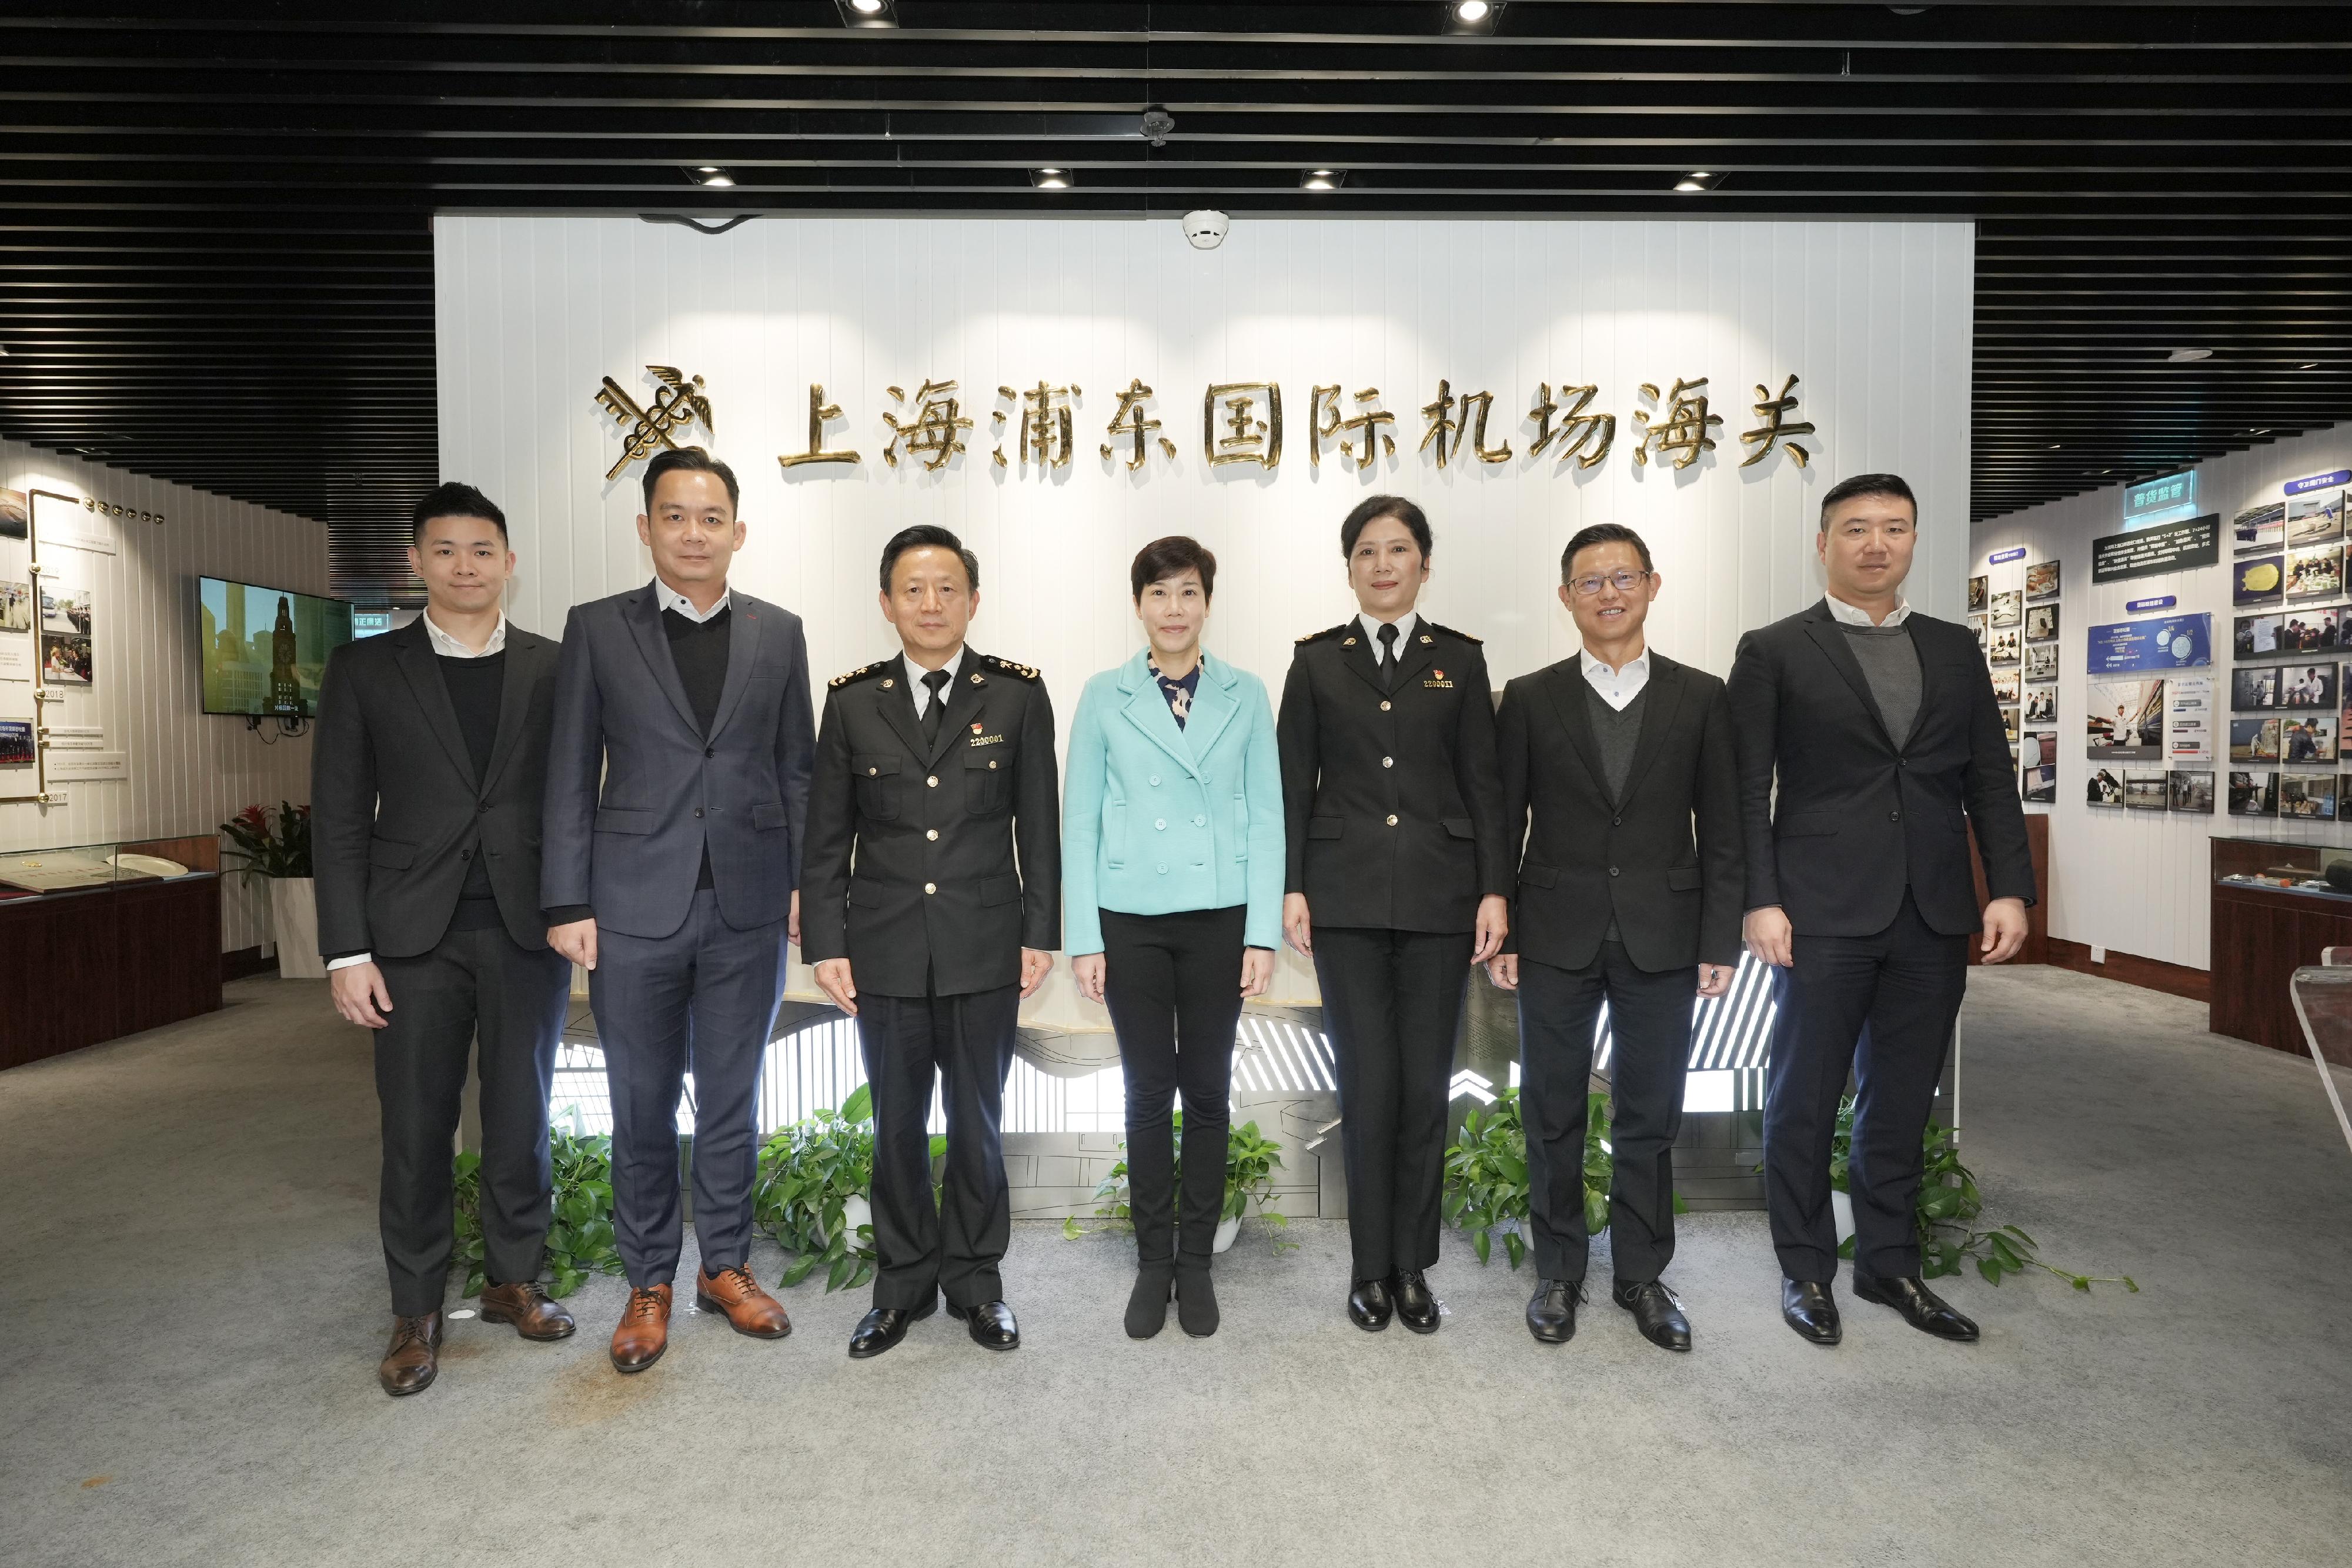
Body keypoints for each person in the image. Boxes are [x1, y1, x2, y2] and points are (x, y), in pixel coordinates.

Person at [1728, 472, 2034, 1348]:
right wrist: (1760, 899)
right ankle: (1805, 1269)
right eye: (1857, 528)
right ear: (1823, 544)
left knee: (1902, 1099)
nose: (1876, 544)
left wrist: (2007, 887)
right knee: (1804, 1097)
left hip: (1933, 909)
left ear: (1912, 542)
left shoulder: (1954, 648)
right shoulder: (1774, 650)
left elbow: (1988, 778)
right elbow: (1748, 789)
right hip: (1819, 910)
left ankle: (1889, 1263)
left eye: (1894, 528)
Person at [541, 449, 814, 1373]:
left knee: (733, 1100)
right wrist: (568, 899)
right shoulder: (597, 629)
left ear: (738, 531)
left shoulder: (779, 633)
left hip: (747, 906)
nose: (693, 534)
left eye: (711, 518)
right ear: (646, 528)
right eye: (674, 516)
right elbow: (570, 772)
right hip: (630, 906)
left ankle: (724, 1267)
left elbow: (797, 771)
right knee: (641, 1103)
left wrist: (805, 887)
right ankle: (650, 1279)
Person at [312, 483, 574, 1396]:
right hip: (408, 941)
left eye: (483, 549)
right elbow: (339, 816)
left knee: (522, 1118)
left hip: (525, 932)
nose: (466, 566)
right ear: (418, 561)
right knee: (417, 1128)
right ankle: (416, 1308)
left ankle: (514, 1280)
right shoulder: (365, 669)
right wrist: (346, 951)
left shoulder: (555, 667)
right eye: (447, 550)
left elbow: (575, 802)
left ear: (510, 562)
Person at [801, 526, 1059, 1360]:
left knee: (978, 1124)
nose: (931, 603)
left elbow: (1040, 828)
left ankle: (978, 1284)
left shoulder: (1016, 696)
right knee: (897, 1126)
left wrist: (1041, 934)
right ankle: (902, 1286)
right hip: (883, 952)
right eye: (913, 589)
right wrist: (827, 943)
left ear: (973, 601)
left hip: (985, 946)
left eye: (948, 588)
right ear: (887, 604)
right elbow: (826, 838)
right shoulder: (852, 702)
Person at [1485, 523, 1741, 1353]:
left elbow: (1725, 830)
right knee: (1552, 1110)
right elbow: (1504, 822)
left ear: (1652, 586)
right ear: (1566, 598)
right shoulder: (1530, 697)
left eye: (1623, 577)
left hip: (1664, 934)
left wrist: (1719, 940)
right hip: (1554, 931)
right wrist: (1504, 923)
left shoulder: (1702, 697)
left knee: (1650, 1113)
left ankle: (1641, 1274)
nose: (1609, 594)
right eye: (1590, 582)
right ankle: (1559, 1271)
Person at [1277, 495, 1511, 1333]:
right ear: (1349, 568)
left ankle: (1412, 1266)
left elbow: (1485, 783)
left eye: (1399, 549)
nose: (1383, 564)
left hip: (1440, 899)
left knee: (1423, 1089)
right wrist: (1292, 885)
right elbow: (1291, 784)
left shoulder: (1460, 660)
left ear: (1424, 564)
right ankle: (1366, 1266)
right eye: (1368, 551)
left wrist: (1495, 887)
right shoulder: (1316, 661)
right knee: (1368, 1086)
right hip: (1342, 900)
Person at [1063, 537, 1283, 1340]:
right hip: (1130, 918)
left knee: (1210, 1094)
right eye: (1159, 593)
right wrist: (1084, 938)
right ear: (1138, 605)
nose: (1174, 609)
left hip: (1220, 916)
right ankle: (1153, 1260)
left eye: (1188, 592)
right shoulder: (1103, 694)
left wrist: (1262, 933)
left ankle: (1197, 1262)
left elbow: (1267, 817)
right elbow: (1080, 820)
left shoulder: (1246, 693)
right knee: (1148, 1093)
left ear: (1207, 603)